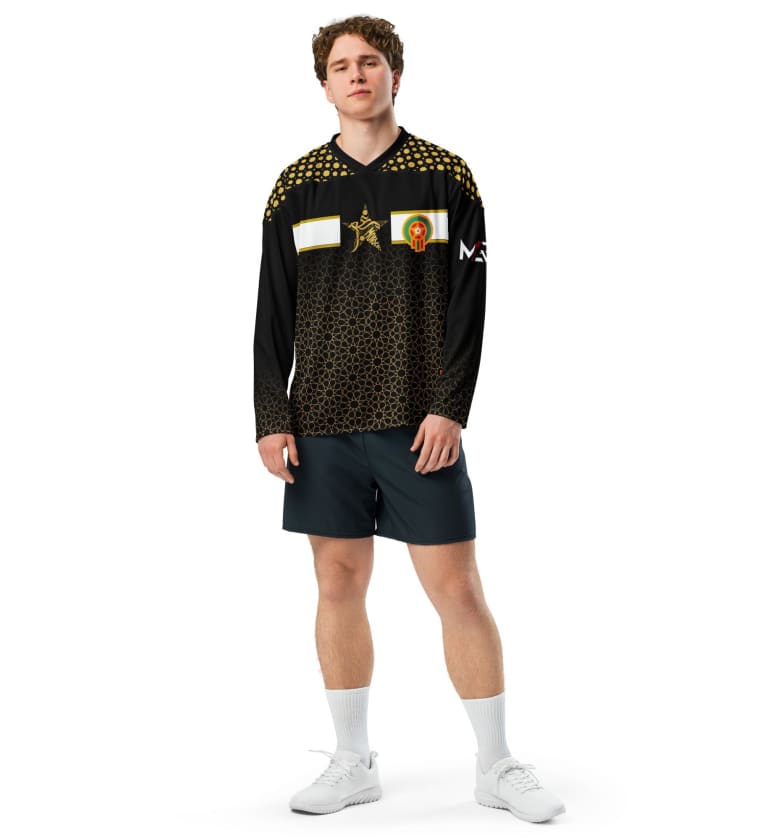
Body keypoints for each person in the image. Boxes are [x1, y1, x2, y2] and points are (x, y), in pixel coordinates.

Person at [253, 14, 565, 823]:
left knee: (456, 586)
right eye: (341, 65)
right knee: (337, 581)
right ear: (324, 84)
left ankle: (497, 765)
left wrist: (450, 407)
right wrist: (271, 414)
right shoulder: (295, 186)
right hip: (321, 421)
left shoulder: (444, 176)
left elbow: (470, 304)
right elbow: (272, 310)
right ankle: (352, 761)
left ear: (396, 73)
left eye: (370, 61)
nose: (356, 75)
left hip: (417, 421)